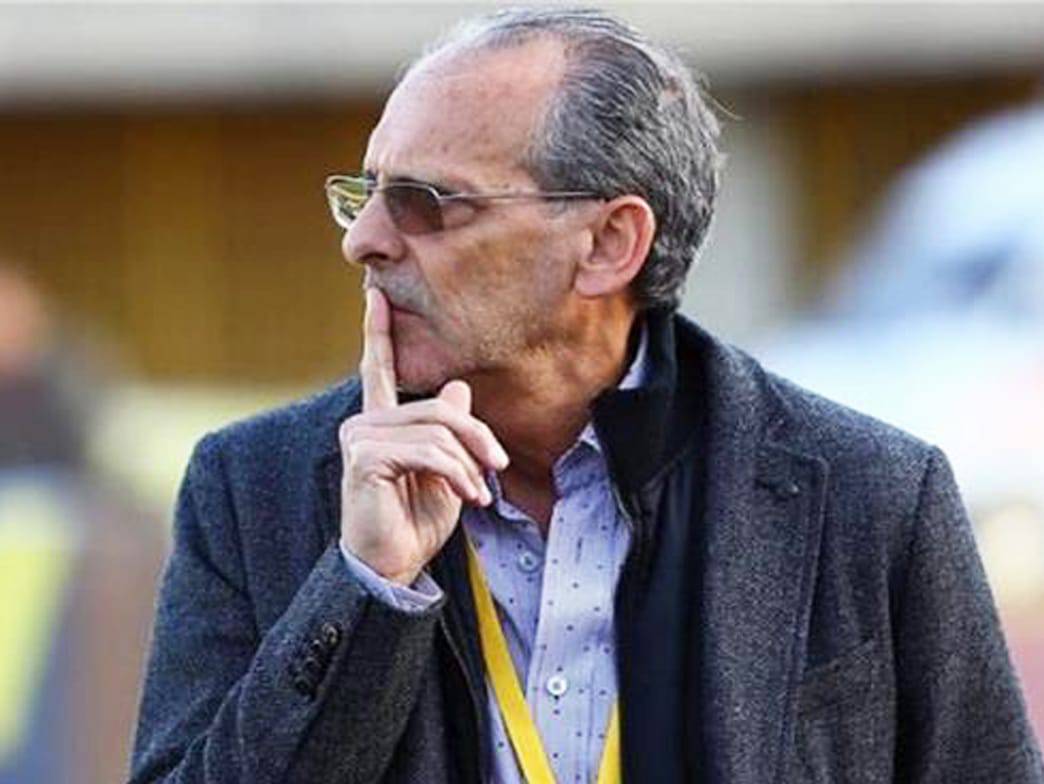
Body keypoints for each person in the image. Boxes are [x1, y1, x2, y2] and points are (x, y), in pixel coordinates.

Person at [127, 8, 1043, 784]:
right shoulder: (252, 487)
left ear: (609, 244)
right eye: (364, 195)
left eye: (424, 203)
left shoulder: (873, 495)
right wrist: (365, 588)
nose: (362, 239)